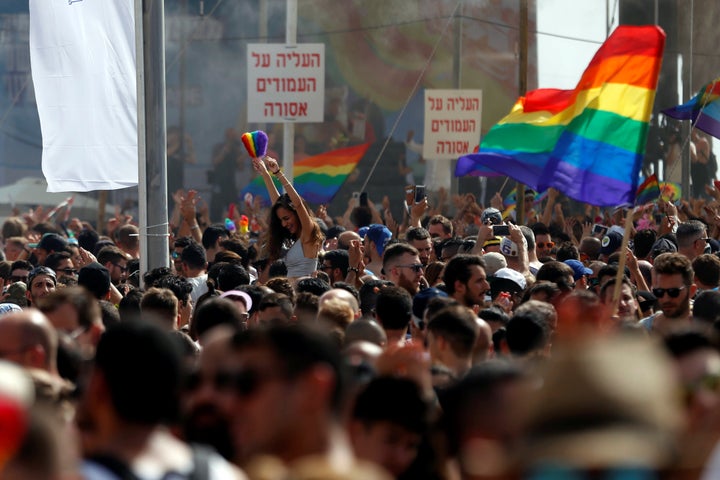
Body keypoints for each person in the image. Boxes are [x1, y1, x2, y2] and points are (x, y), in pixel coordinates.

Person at [253, 155, 323, 279]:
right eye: (281, 220)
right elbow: (277, 205)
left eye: (286, 219)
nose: (284, 224)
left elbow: (298, 204)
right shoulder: (295, 238)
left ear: (296, 213)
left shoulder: (308, 234)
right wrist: (265, 174)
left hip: (304, 293)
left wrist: (278, 173)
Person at [640, 252, 696, 336]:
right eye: (659, 292)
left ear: (691, 291)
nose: (666, 299)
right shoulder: (643, 330)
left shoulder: (708, 330)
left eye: (673, 292)